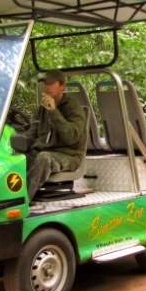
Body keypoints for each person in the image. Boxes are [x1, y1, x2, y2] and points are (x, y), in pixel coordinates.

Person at [25, 70, 87, 200]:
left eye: (51, 83)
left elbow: (71, 137)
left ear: (63, 86)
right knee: (16, 157)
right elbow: (31, 135)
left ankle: (23, 199)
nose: (47, 87)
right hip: (44, 152)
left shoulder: (73, 108)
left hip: (68, 155)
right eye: (45, 84)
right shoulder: (42, 109)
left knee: (44, 157)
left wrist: (54, 111)